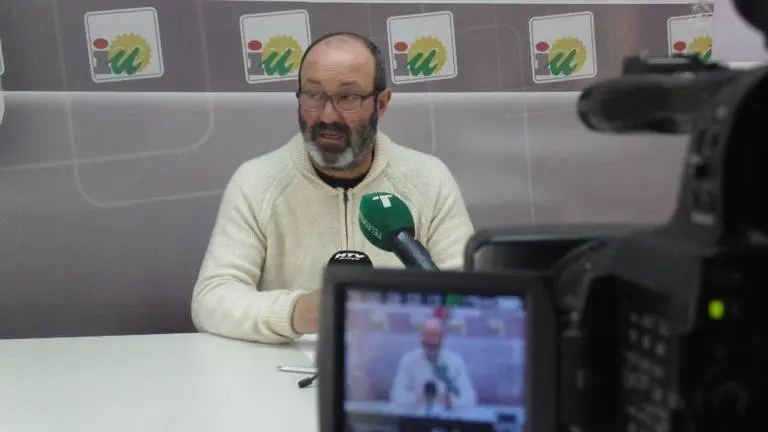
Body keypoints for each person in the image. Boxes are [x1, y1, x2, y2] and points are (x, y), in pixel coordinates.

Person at [190, 32, 474, 344]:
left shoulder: (428, 178)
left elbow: (470, 296)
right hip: (283, 366)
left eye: (347, 98)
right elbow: (212, 298)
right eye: (313, 95)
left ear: (381, 103)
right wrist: (297, 312)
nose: (327, 115)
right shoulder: (256, 181)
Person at [389, 318, 477, 411]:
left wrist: (447, 400)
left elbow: (470, 398)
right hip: (415, 415)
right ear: (421, 338)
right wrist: (418, 399)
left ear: (442, 338)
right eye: (427, 336)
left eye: (434, 336)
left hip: (446, 416)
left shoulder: (455, 362)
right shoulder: (409, 360)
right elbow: (396, 394)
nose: (431, 341)